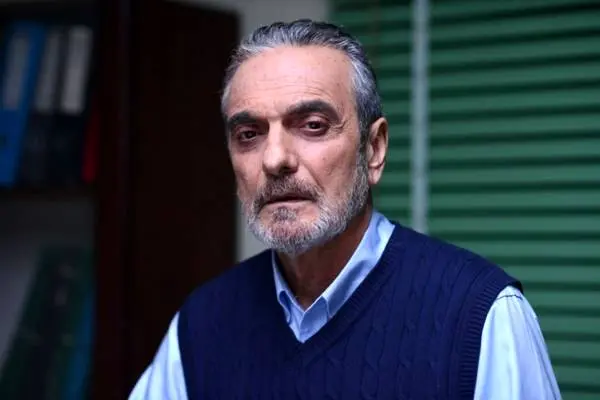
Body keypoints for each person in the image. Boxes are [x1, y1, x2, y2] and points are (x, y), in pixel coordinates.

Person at [128, 19, 561, 399]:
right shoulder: (201, 324)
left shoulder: (481, 316)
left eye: (313, 126)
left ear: (374, 150)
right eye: (249, 134)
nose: (275, 158)